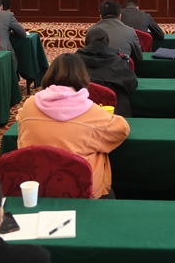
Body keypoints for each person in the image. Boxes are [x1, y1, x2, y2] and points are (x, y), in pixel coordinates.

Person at [15, 54, 130, 198]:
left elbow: (20, 120)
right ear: (83, 76)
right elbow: (122, 129)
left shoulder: (29, 105)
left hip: (35, 185)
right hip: (83, 189)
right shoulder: (92, 111)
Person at [75, 28, 138, 117]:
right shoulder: (116, 62)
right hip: (113, 115)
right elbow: (131, 84)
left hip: (78, 113)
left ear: (85, 43)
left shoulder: (73, 62)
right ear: (107, 43)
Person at [87, 0, 143, 64]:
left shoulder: (91, 30)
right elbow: (139, 58)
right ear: (120, 17)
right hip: (121, 69)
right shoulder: (130, 31)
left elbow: (88, 56)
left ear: (100, 17)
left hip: (96, 69)